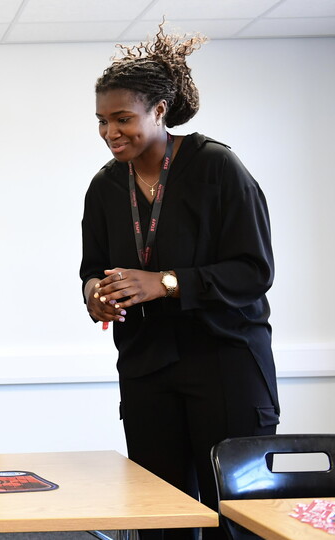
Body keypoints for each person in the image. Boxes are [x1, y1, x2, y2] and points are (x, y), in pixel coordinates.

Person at [80, 23, 279, 540]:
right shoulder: (104, 187)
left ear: (159, 111)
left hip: (225, 362)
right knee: (160, 520)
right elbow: (91, 269)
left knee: (234, 520)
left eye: (122, 118)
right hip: (146, 368)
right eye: (102, 120)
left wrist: (164, 282)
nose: (109, 132)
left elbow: (254, 271)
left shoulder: (217, 167)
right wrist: (96, 296)